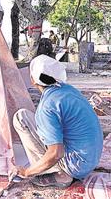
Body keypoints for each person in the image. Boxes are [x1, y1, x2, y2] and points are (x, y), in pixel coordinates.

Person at [11, 55, 103, 188]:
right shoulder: (67, 90)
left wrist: (27, 172)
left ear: (33, 80)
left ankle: (58, 174)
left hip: (76, 166)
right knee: (25, 116)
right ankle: (58, 169)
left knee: (21, 119)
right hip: (90, 159)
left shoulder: (48, 106)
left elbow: (56, 153)